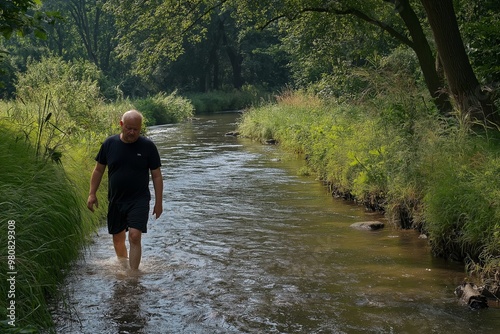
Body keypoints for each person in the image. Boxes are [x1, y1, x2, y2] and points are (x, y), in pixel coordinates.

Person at [87, 110, 163, 271]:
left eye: (136, 129)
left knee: (135, 236)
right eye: (129, 128)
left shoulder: (148, 146)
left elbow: (156, 175)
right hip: (116, 199)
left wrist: (159, 202)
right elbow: (98, 170)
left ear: (140, 127)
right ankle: (123, 266)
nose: (132, 132)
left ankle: (133, 275)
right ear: (121, 125)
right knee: (118, 239)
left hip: (139, 199)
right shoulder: (109, 144)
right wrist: (92, 193)